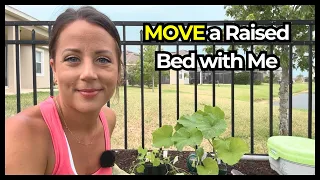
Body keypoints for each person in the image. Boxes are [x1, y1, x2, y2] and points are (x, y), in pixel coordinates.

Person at [5, 6, 122, 175]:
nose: (88, 74)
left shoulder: (108, 119)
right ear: (54, 70)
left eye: (103, 59)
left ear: (118, 71)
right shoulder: (23, 134)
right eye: (72, 58)